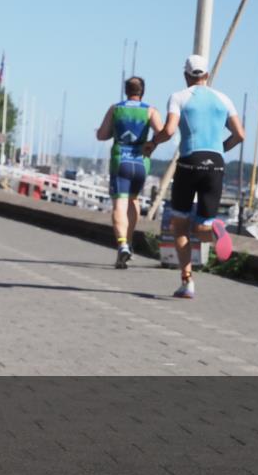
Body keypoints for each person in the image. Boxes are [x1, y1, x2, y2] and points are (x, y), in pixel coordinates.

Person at [144, 55, 244, 299]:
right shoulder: (224, 99)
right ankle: (217, 231)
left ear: (186, 75)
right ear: (207, 75)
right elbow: (240, 134)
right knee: (202, 227)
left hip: (190, 162)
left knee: (179, 226)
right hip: (216, 163)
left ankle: (187, 282)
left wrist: (152, 143)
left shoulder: (179, 97)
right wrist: (219, 148)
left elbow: (168, 131)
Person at [96, 76, 163, 268]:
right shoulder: (150, 110)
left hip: (121, 161)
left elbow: (102, 135)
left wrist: (112, 133)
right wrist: (151, 144)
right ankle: (129, 242)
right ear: (143, 91)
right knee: (133, 200)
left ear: (126, 90)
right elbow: (162, 133)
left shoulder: (115, 109)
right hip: (141, 162)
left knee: (120, 202)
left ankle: (122, 244)